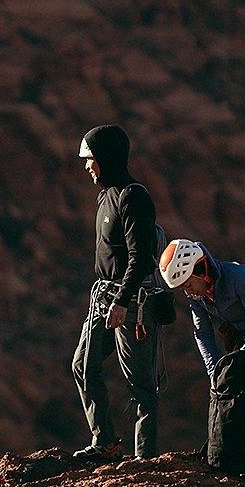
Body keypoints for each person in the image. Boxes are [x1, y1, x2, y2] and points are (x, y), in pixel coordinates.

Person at [71, 125, 172, 461]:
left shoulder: (133, 197)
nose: (88, 166)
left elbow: (141, 258)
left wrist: (121, 301)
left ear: (107, 158)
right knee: (83, 367)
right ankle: (106, 442)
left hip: (131, 304)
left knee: (140, 385)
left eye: (91, 159)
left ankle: (144, 459)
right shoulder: (106, 197)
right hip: (102, 298)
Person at [159, 239, 245, 483]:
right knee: (228, 390)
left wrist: (243, 359)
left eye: (188, 285)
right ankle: (226, 453)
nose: (188, 292)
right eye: (183, 288)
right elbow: (203, 333)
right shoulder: (196, 296)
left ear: (200, 269)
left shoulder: (240, 278)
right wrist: (213, 370)